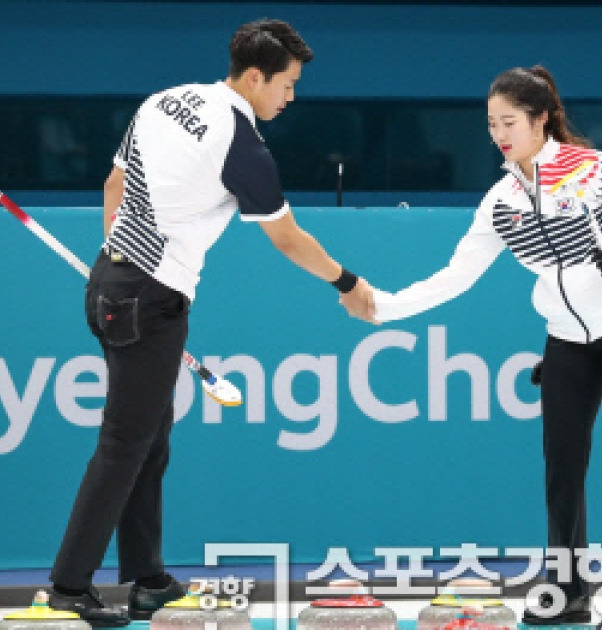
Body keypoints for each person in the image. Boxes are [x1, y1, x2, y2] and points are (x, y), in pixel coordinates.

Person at [45, 19, 376, 626]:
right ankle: (68, 587)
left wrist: (116, 263)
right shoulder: (243, 145)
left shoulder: (163, 102)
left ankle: (147, 579)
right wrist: (348, 284)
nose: (291, 97)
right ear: (254, 76)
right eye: (287, 84)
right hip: (151, 297)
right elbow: (286, 238)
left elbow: (114, 181)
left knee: (149, 440)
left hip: (114, 283)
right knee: (124, 445)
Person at [361, 66, 602, 628]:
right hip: (565, 337)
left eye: (508, 121)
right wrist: (385, 306)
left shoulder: (594, 170)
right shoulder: (503, 200)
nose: (498, 134)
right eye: (491, 124)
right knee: (561, 463)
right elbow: (458, 274)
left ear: (540, 120)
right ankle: (566, 588)